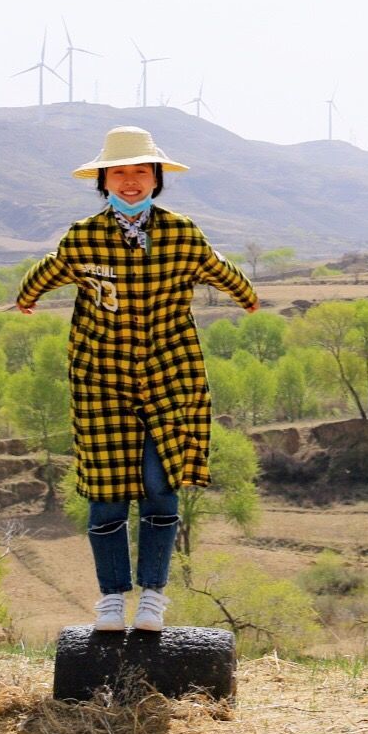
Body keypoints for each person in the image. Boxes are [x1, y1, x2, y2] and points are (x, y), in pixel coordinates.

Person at [15, 125, 259, 631]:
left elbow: (216, 267)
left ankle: (152, 597)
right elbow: (53, 268)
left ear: (156, 178)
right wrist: (27, 297)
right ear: (103, 181)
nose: (131, 181)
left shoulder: (181, 233)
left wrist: (247, 296)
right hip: (101, 379)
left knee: (160, 484)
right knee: (106, 495)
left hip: (171, 374)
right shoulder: (83, 237)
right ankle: (110, 599)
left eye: (141, 172)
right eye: (120, 173)